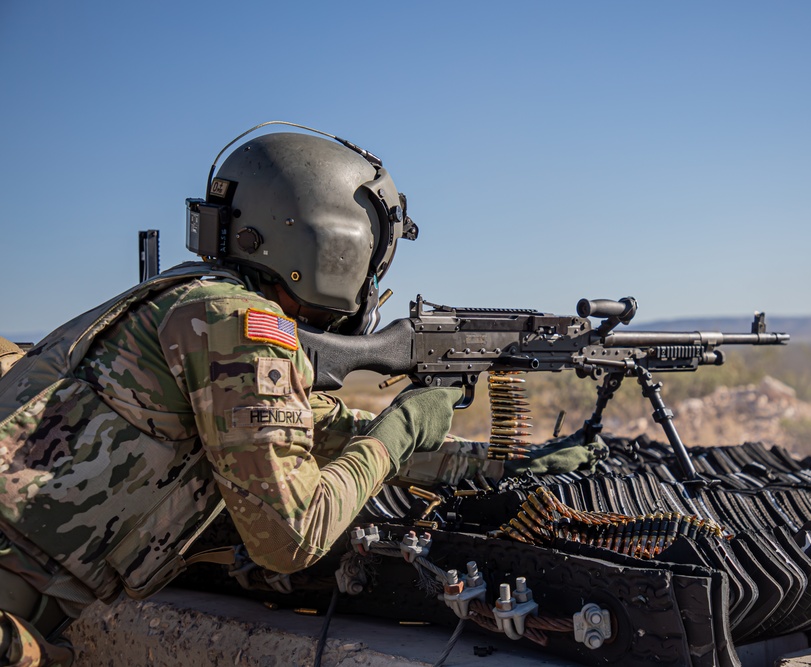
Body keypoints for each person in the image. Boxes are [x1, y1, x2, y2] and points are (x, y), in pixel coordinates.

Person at [0, 125, 465, 666]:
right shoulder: (241, 323)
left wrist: (487, 464)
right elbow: (293, 537)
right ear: (335, 247)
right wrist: (401, 430)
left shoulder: (190, 301)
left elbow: (316, 426)